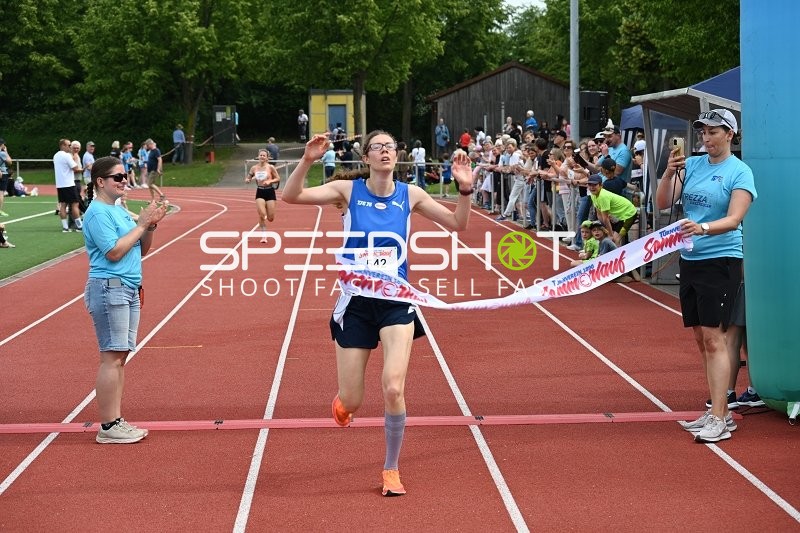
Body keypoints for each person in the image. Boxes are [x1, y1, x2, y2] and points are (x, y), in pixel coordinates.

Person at [282, 131, 475, 497]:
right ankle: (344, 404)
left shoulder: (411, 194)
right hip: (356, 303)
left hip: (396, 301)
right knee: (352, 399)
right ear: (366, 156)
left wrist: (465, 190)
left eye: (390, 147)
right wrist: (307, 160)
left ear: (397, 155)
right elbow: (292, 196)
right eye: (378, 147)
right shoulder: (347, 191)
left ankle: (391, 468)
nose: (385, 151)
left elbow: (458, 224)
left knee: (393, 387)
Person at [655, 108, 756, 443]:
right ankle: (718, 412)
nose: (706, 138)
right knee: (701, 338)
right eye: (703, 132)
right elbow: (663, 202)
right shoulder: (693, 164)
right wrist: (668, 173)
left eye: (713, 132)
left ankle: (719, 415)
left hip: (721, 259)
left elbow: (735, 219)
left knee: (715, 338)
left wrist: (703, 227)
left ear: (730, 134)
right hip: (691, 259)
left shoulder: (739, 171)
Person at [82, 155, 167, 443]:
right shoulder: (97, 213)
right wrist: (141, 225)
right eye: (118, 177)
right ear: (100, 181)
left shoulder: (117, 210)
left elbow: (140, 250)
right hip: (110, 287)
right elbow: (114, 252)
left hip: (127, 288)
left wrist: (149, 226)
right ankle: (108, 426)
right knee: (112, 357)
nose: (124, 181)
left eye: (125, 175)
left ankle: (116, 420)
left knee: (120, 357)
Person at [586, 174, 637, 246]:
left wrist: (610, 234)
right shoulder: (593, 195)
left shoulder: (603, 196)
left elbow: (605, 218)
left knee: (615, 240)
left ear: (601, 185)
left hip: (629, 214)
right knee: (610, 238)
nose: (592, 187)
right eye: (590, 185)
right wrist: (605, 229)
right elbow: (599, 214)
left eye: (594, 185)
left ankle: (618, 253)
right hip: (618, 216)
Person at [245, 149, 281, 243]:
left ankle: (265, 218)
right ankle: (264, 236)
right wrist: (248, 180)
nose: (261, 157)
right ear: (258, 156)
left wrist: (270, 181)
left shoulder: (270, 167)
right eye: (260, 155)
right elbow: (248, 177)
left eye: (264, 155)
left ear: (267, 158)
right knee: (262, 214)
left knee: (270, 218)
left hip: (270, 192)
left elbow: (278, 178)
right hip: (260, 191)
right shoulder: (254, 168)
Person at [53, 139, 84, 232]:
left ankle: (65, 227)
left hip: (60, 184)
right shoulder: (66, 156)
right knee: (75, 204)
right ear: (63, 145)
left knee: (63, 205)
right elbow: (75, 168)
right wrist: (83, 168)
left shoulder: (56, 155)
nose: (70, 146)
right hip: (69, 184)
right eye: (68, 145)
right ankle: (79, 226)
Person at [0, 138, 12, 216]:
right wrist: (6, 152)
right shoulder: (2, 153)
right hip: (2, 173)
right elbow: (10, 162)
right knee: (1, 192)